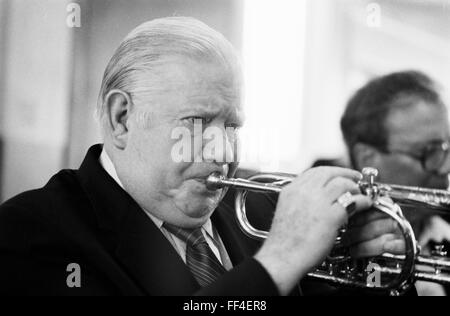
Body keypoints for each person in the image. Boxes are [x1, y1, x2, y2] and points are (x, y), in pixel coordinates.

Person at [0, 17, 405, 296]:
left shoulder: (261, 212)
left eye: (232, 126)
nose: (224, 152)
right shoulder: (32, 232)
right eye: (196, 122)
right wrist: (277, 263)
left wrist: (377, 273)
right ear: (121, 118)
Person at [341, 70, 450, 295]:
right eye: (429, 151)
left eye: (446, 148)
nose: (446, 167)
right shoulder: (336, 248)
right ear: (368, 159)